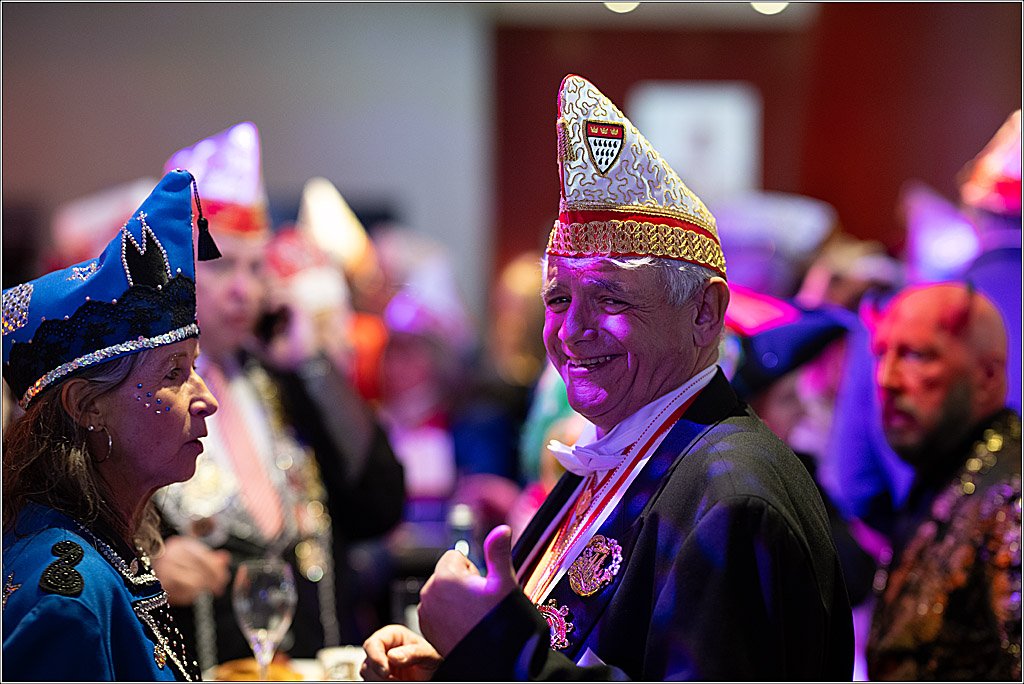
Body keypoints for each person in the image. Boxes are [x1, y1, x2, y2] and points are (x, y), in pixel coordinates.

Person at [361, 73, 854, 681]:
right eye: (558, 299)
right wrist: (450, 668)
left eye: (610, 300)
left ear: (705, 312)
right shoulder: (622, 451)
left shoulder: (734, 495)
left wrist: (495, 646)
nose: (570, 331)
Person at [152, 122, 405, 670]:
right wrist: (147, 571)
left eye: (255, 266)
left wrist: (314, 364)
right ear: (172, 266)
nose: (243, 288)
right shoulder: (136, 392)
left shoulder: (285, 380)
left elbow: (380, 505)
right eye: (218, 264)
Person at [2, 170, 219, 680]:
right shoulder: (65, 595)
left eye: (195, 369)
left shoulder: (105, 551)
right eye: (174, 373)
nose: (206, 400)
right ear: (86, 406)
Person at [865, 283, 1021, 681]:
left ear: (987, 376)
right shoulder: (945, 470)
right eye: (882, 353)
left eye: (917, 355)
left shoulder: (1011, 497)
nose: (888, 378)